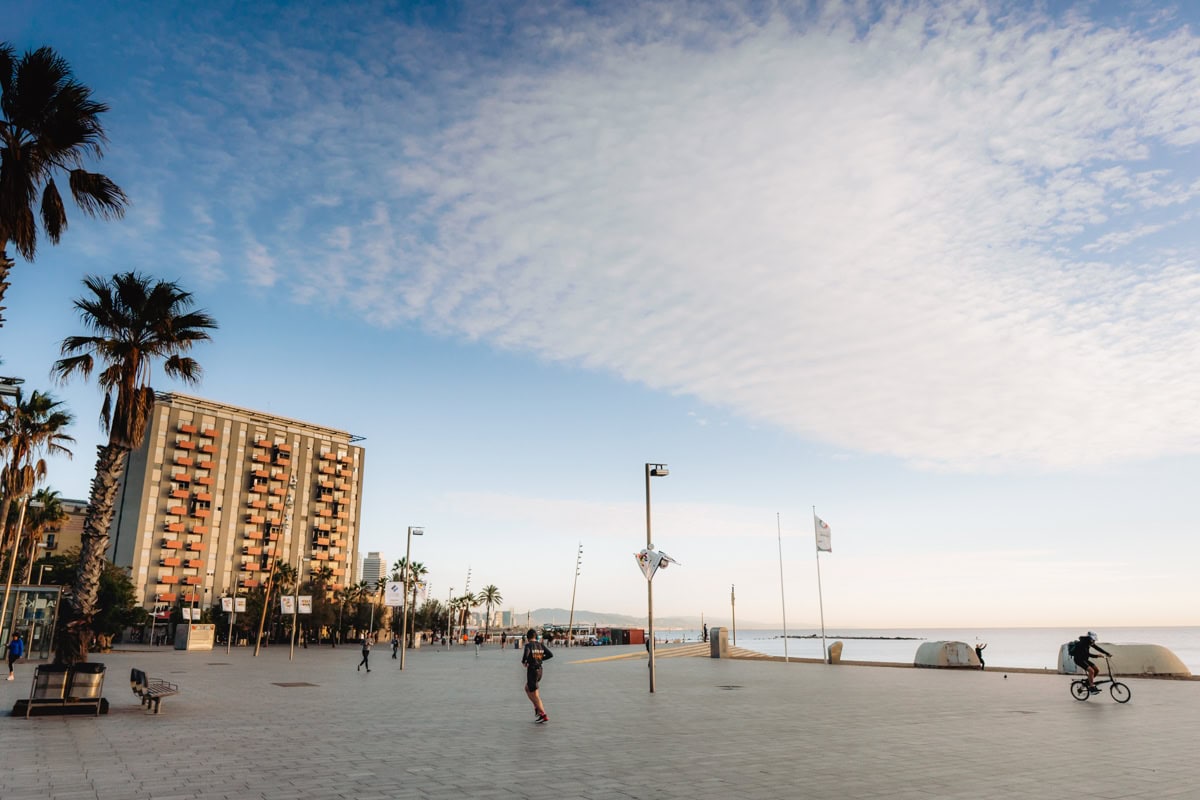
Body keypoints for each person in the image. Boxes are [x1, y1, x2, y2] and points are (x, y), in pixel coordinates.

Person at [521, 628, 553, 723]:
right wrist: (540, 659)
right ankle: (537, 707)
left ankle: (543, 714)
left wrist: (524, 661)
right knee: (527, 688)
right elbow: (550, 654)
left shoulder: (528, 645)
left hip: (532, 671)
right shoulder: (540, 645)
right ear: (536, 636)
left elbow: (526, 655)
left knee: (535, 695)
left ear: (528, 637)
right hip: (540, 671)